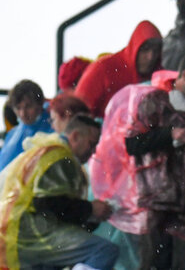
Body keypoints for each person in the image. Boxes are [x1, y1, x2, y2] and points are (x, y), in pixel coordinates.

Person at [125, 51, 185, 269]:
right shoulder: (153, 102)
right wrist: (169, 134)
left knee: (183, 264)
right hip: (155, 200)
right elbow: (132, 144)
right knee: (153, 263)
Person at [0, 115, 118, 270]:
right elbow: (47, 203)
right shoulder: (60, 156)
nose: (94, 150)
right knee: (103, 251)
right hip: (28, 234)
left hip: (14, 233)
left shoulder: (44, 150)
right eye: (92, 144)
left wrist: (90, 216)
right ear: (75, 136)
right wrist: (90, 209)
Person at [76, 20, 163, 118]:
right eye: (145, 49)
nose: (150, 57)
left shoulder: (161, 76)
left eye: (156, 50)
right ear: (135, 47)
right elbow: (76, 111)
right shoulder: (103, 68)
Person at [0, 80, 53, 171]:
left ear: (40, 104)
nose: (22, 113)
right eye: (18, 108)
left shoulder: (55, 128)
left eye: (28, 107)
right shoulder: (12, 134)